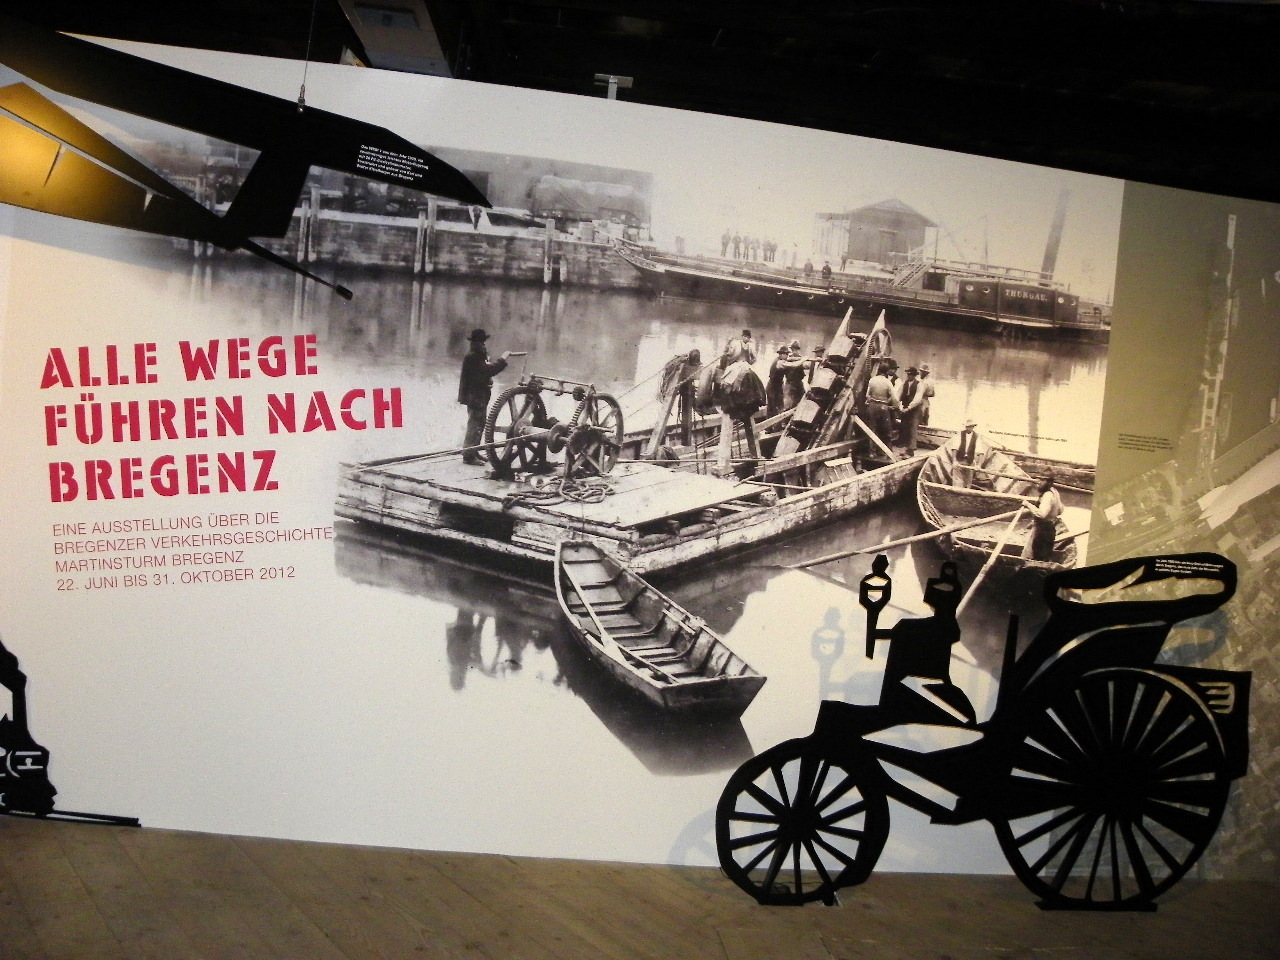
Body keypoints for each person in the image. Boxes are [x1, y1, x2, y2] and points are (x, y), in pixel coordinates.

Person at [457, 328, 511, 465]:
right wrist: (502, 360)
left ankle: (473, 451)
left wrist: (488, 380)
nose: (484, 345)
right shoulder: (473, 356)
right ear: (478, 343)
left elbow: (482, 373)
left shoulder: (476, 356)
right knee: (475, 424)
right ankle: (469, 456)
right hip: (475, 396)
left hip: (478, 395)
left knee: (479, 423)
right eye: (482, 342)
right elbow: (488, 370)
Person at [1023, 472, 1064, 561]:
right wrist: (1051, 514)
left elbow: (1042, 514)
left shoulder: (1047, 495)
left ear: (1049, 482)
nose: (1039, 482)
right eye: (1039, 479)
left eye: (1042, 480)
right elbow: (1060, 510)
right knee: (1044, 557)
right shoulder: (1055, 492)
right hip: (1050, 529)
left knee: (1037, 557)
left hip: (1042, 531)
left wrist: (1027, 505)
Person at [863, 361, 900, 449]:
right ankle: (886, 450)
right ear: (887, 371)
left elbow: (867, 395)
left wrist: (871, 401)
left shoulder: (872, 380)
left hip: (872, 406)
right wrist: (896, 407)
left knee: (872, 429)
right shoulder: (887, 382)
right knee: (886, 429)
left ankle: (872, 452)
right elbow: (894, 397)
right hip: (883, 407)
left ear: (879, 370)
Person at [896, 366, 924, 455]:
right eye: (908, 374)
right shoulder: (904, 383)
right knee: (903, 425)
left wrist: (909, 407)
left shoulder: (919, 384)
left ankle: (912, 446)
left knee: (913, 426)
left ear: (914, 375)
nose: (909, 376)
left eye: (911, 374)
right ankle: (902, 443)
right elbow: (898, 395)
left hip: (915, 409)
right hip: (905, 407)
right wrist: (898, 406)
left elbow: (917, 399)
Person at [916, 362, 935, 426]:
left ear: (926, 373)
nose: (921, 373)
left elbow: (932, 394)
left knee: (922, 418)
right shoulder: (919, 379)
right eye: (921, 371)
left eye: (922, 372)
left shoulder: (928, 381)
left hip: (923, 401)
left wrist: (922, 394)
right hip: (921, 400)